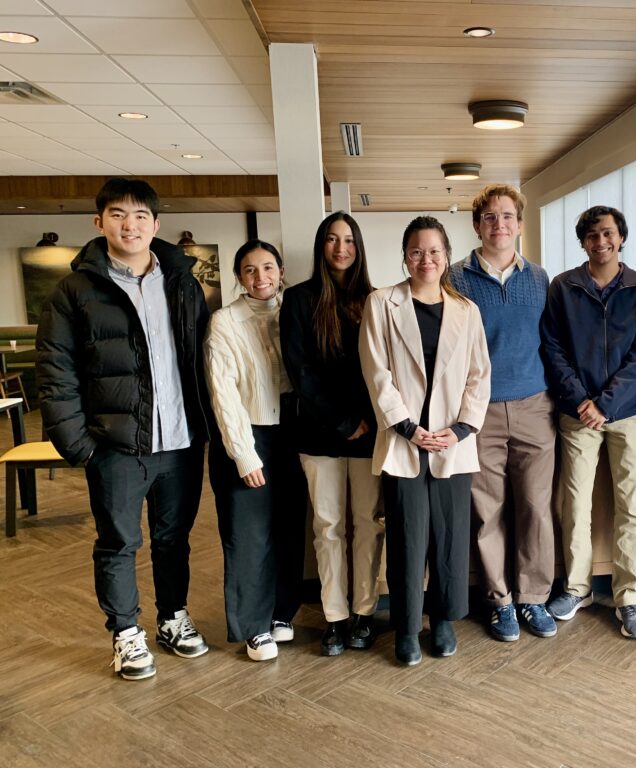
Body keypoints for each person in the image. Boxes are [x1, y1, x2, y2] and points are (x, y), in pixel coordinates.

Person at [36, 178, 211, 680]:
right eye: (118, 214)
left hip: (179, 438)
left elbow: (200, 357)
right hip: (115, 446)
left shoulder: (182, 283)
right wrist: (78, 443)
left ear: (157, 225)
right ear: (99, 222)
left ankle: (173, 617)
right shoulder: (74, 291)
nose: (129, 224)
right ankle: (126, 633)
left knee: (172, 539)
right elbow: (55, 370)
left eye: (139, 216)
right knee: (118, 542)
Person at [359, 216, 490, 666]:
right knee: (407, 538)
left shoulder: (467, 311)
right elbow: (376, 374)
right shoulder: (382, 303)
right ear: (405, 255)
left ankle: (446, 620)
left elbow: (479, 377)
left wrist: (459, 430)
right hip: (404, 443)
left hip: (453, 444)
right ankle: (408, 628)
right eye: (417, 251)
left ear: (447, 255)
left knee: (451, 538)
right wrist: (408, 428)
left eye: (434, 251)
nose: (426, 259)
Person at [540, 205, 636, 640]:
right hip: (577, 413)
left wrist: (606, 403)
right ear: (583, 242)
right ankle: (576, 588)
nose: (601, 242)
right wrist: (581, 400)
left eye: (608, 234)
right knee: (574, 503)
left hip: (628, 414)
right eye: (592, 236)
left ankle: (629, 598)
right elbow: (553, 350)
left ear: (621, 237)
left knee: (632, 507)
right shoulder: (563, 287)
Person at [449, 184, 558, 643]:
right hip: (480, 412)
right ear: (477, 225)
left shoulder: (539, 278)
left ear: (520, 223)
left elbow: (552, 342)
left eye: (508, 216)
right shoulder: (454, 278)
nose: (500, 224)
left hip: (535, 406)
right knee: (487, 511)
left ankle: (533, 598)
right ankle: (500, 602)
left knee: (536, 508)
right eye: (490, 217)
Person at [281, 212, 384, 656]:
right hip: (320, 433)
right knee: (328, 528)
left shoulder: (377, 299)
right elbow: (300, 371)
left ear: (358, 248)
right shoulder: (299, 300)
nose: (340, 248)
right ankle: (335, 617)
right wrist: (342, 421)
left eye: (348, 241)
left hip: (369, 432)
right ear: (321, 245)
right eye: (331, 239)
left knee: (368, 524)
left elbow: (383, 369)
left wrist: (363, 421)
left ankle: (364, 612)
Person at [205, 240, 304, 662]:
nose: (260, 277)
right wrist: (243, 453)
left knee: (288, 526)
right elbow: (222, 393)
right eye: (249, 270)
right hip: (249, 433)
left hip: (294, 430)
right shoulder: (224, 322)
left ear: (281, 271)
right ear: (239, 277)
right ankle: (253, 626)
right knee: (249, 534)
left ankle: (282, 612)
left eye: (267, 267)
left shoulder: (294, 311)